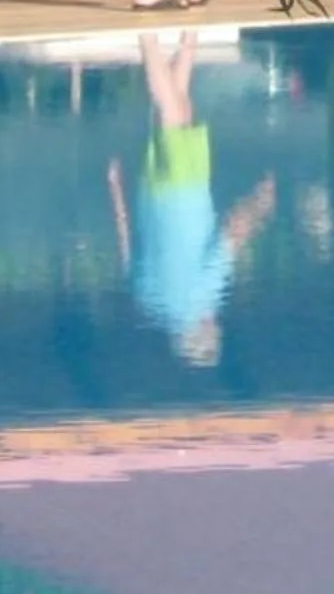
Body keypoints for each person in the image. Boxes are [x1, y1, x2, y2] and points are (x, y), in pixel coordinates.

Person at [105, 30, 278, 366]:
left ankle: (149, 36)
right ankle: (190, 31)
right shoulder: (150, 303)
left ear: (207, 329)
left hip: (187, 192)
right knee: (180, 107)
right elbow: (126, 245)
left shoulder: (203, 298)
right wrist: (116, 188)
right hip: (152, 193)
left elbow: (232, 231)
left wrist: (261, 203)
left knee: (171, 109)